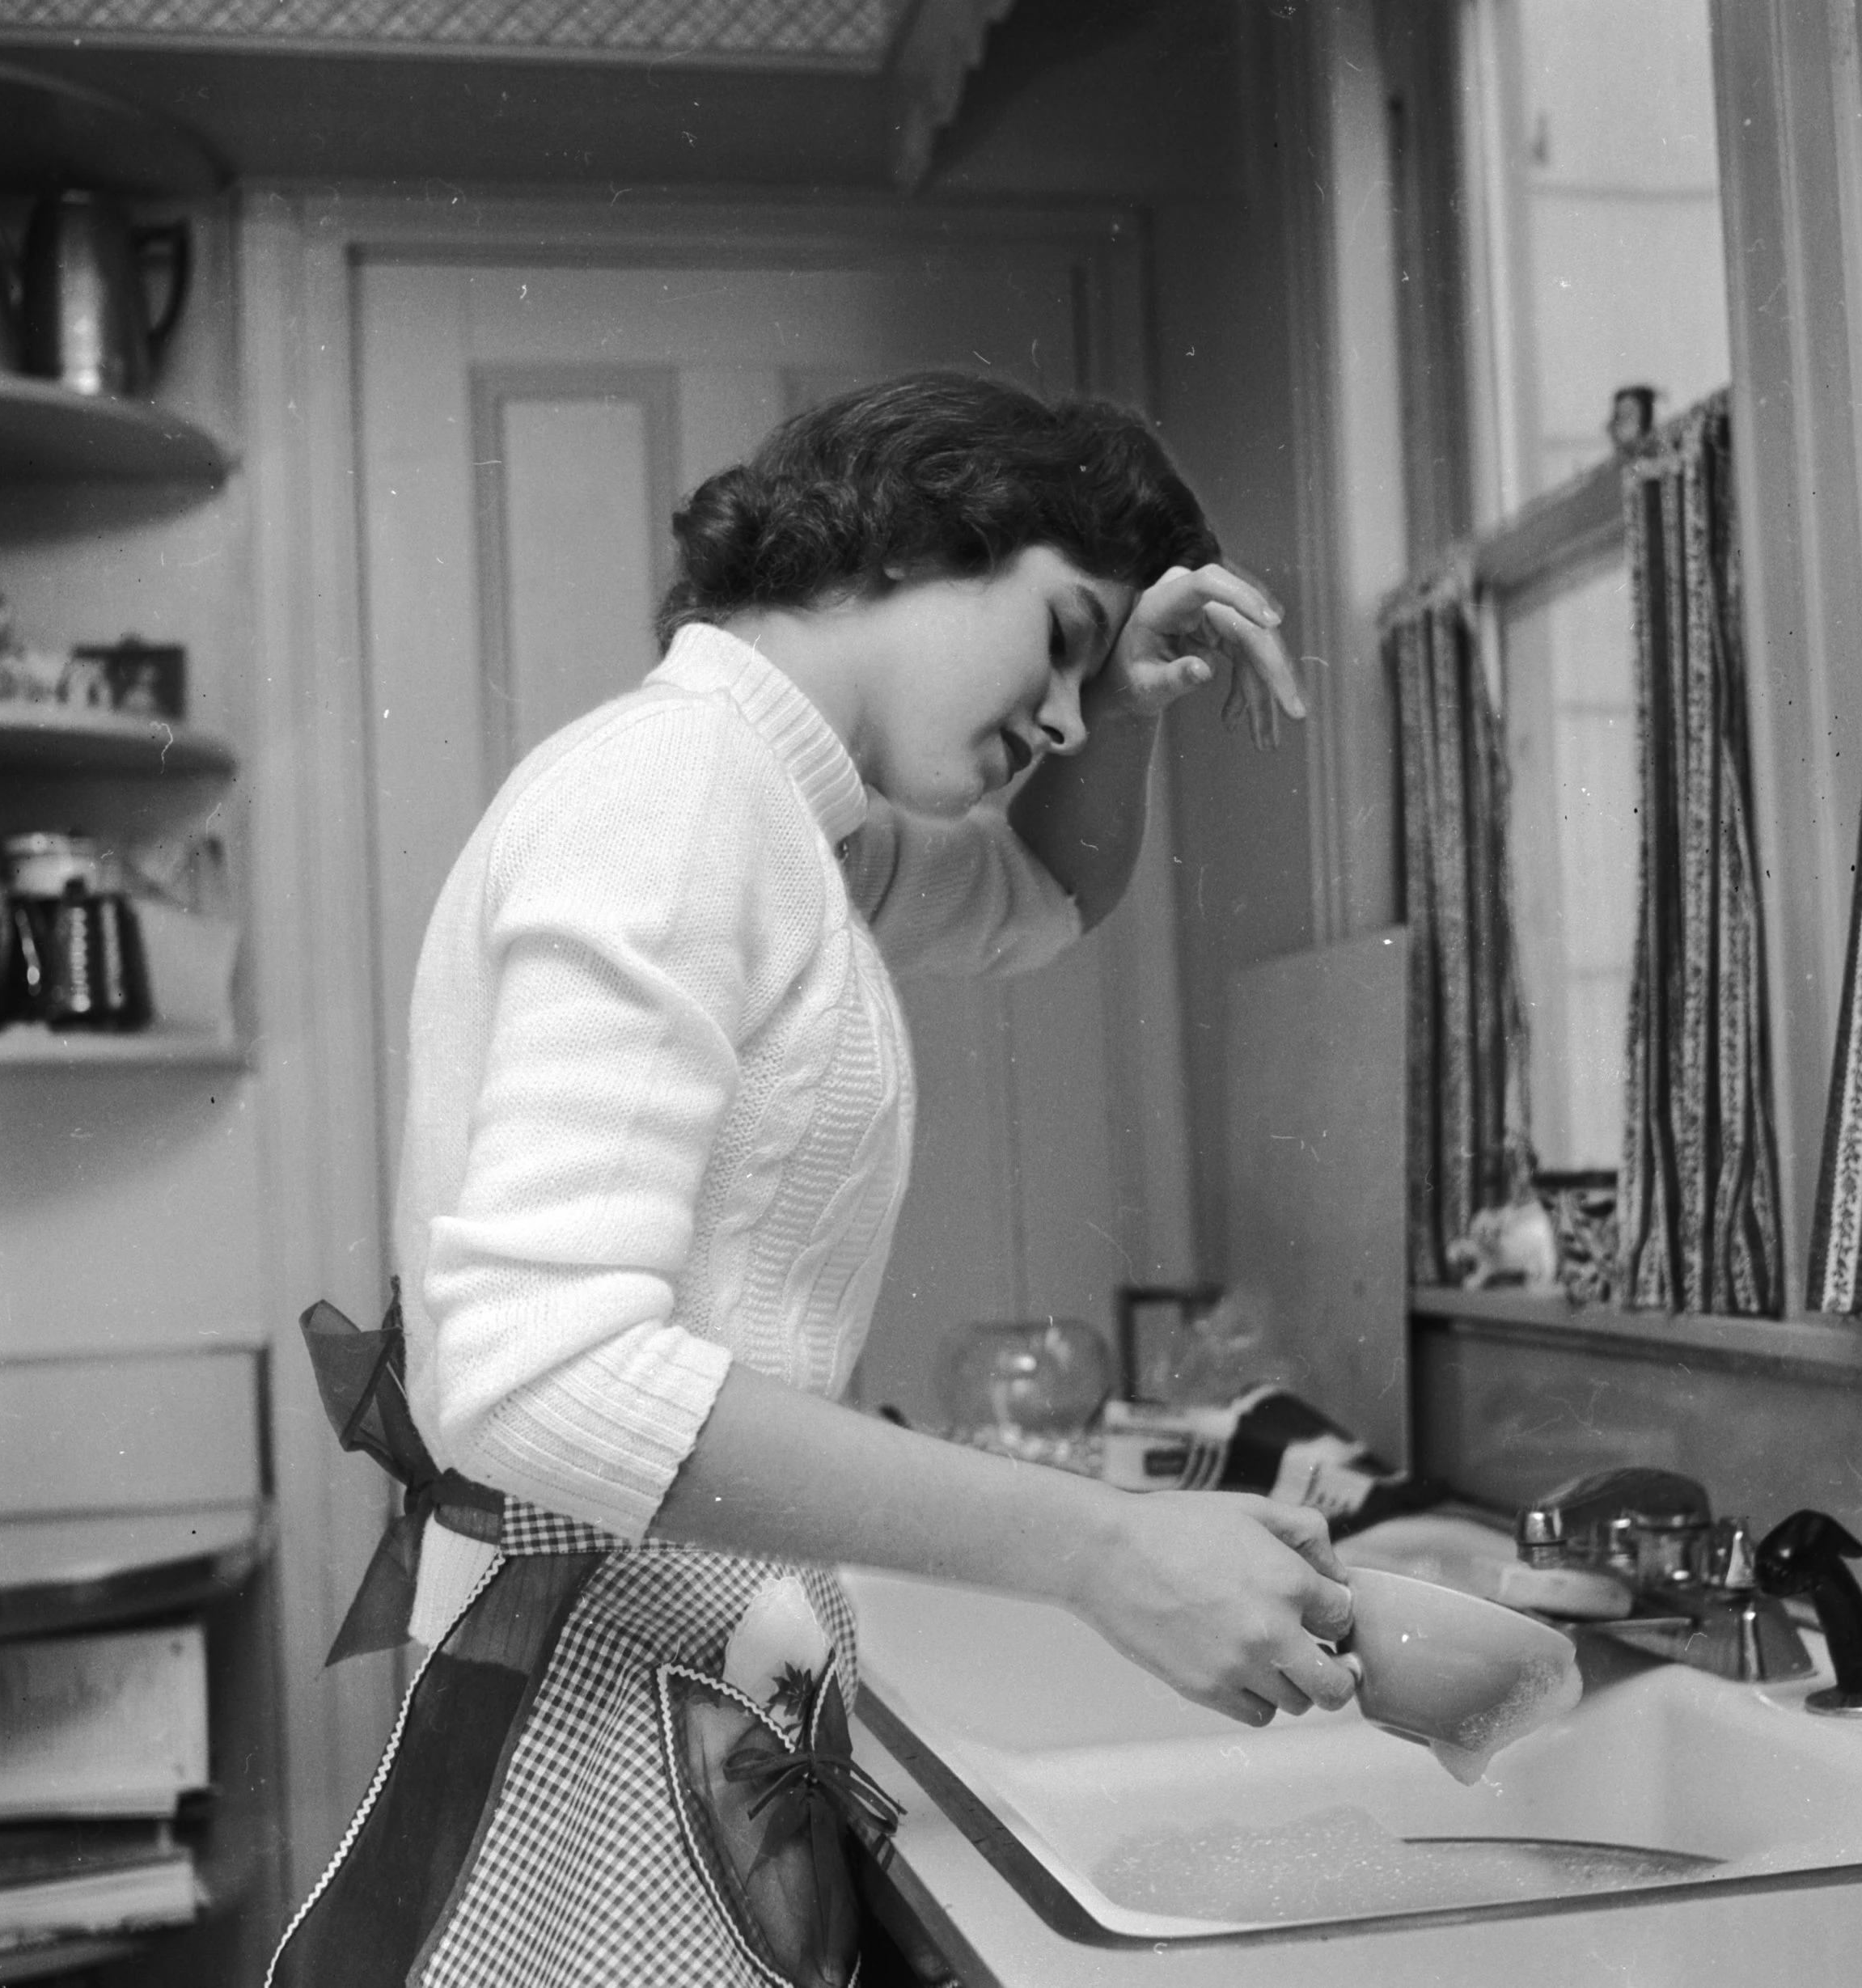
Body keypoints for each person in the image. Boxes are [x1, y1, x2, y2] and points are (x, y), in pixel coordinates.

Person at [273, 371, 1359, 1988]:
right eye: (1056, 635)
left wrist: (1120, 695)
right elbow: (535, 1374)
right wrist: (1099, 1544)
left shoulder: (784, 816)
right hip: (607, 1672)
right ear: (921, 532)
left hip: (665, 1652)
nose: (1059, 717)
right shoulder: (677, 793)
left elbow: (1045, 889)